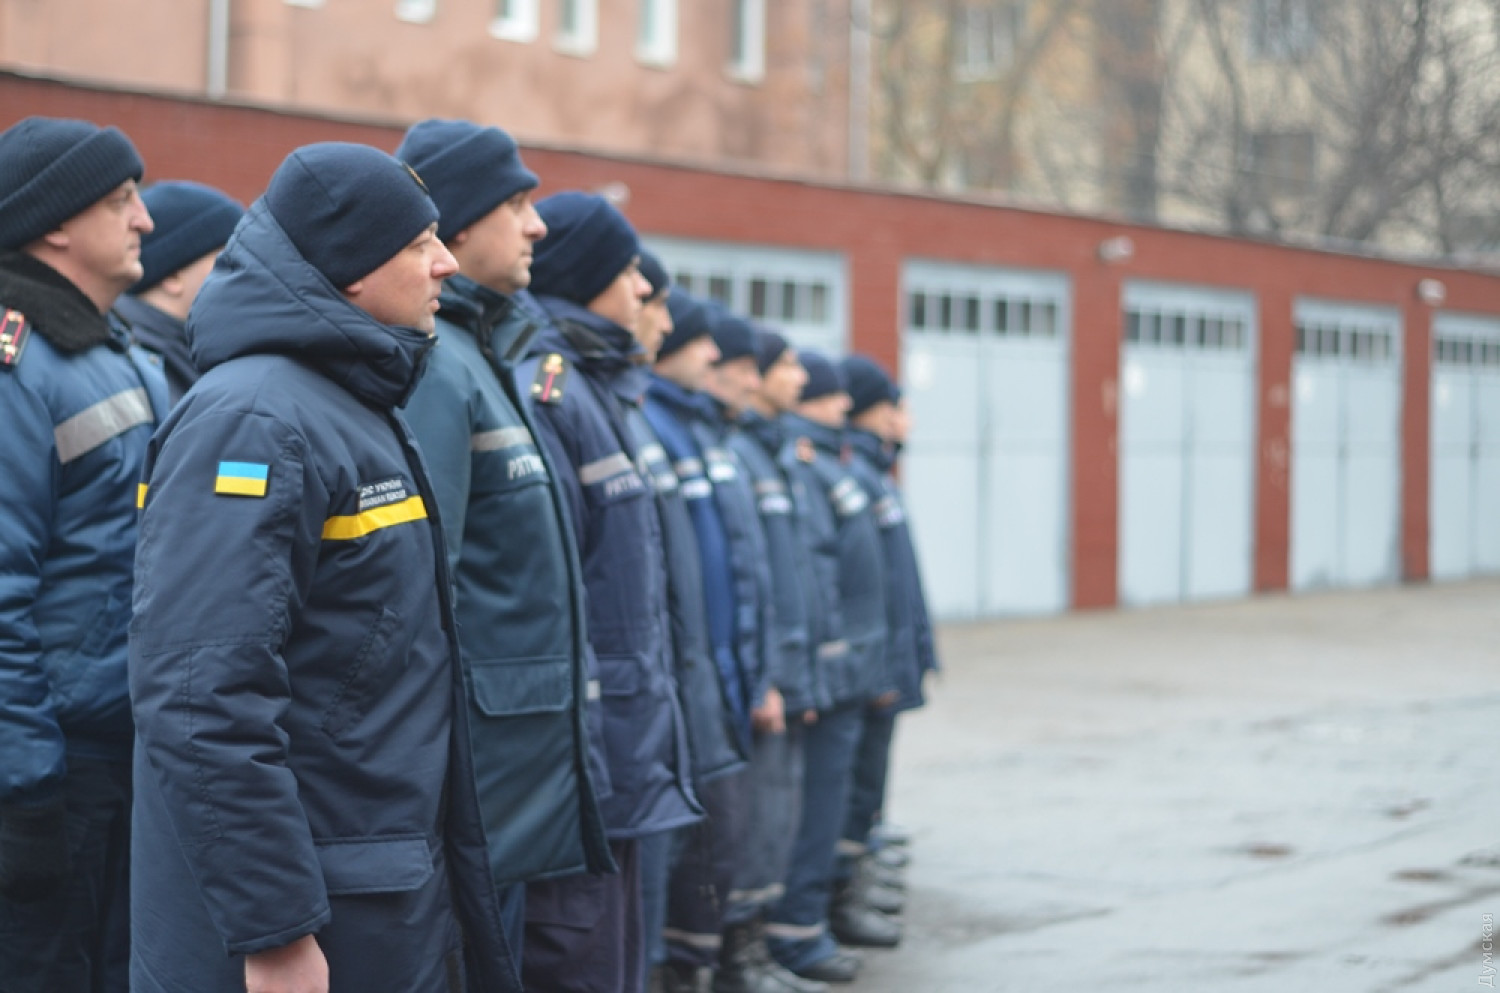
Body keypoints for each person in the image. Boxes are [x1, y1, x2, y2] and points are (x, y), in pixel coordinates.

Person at [128, 142, 521, 993]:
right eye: (419, 244)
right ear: (350, 269)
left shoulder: (348, 400)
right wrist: (276, 927)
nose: (447, 262)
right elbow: (202, 692)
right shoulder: (254, 418)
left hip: (373, 880)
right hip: (312, 906)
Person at [395, 119, 614, 961]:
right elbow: (421, 592)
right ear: (453, 227)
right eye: (517, 205)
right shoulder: (436, 365)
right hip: (473, 778)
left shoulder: (481, 350)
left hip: (504, 772)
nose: (539, 225)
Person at [517, 192, 701, 993]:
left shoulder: (598, 386)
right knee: (579, 956)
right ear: (587, 275)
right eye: (628, 271)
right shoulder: (551, 389)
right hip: (587, 751)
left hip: (622, 740)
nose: (643, 289)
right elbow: (552, 593)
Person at [0, 115, 167, 993]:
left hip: (121, 750)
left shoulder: (113, 347)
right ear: (57, 223)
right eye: (122, 200)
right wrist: (25, 789)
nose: (145, 219)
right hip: (56, 768)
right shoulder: (18, 362)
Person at [625, 263, 748, 993]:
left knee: (717, 842)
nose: (699, 346)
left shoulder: (691, 429)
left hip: (705, 680)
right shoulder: (646, 421)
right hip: (664, 691)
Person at [764, 352, 894, 984]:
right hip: (829, 674)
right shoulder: (803, 464)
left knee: (834, 802)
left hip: (849, 670)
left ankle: (813, 917)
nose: (845, 404)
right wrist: (818, 667)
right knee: (813, 810)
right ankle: (796, 929)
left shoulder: (831, 463)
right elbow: (813, 575)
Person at [116, 180, 244, 403]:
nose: (244, 273)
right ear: (173, 276)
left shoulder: (193, 355)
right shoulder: (132, 368)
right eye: (229, 260)